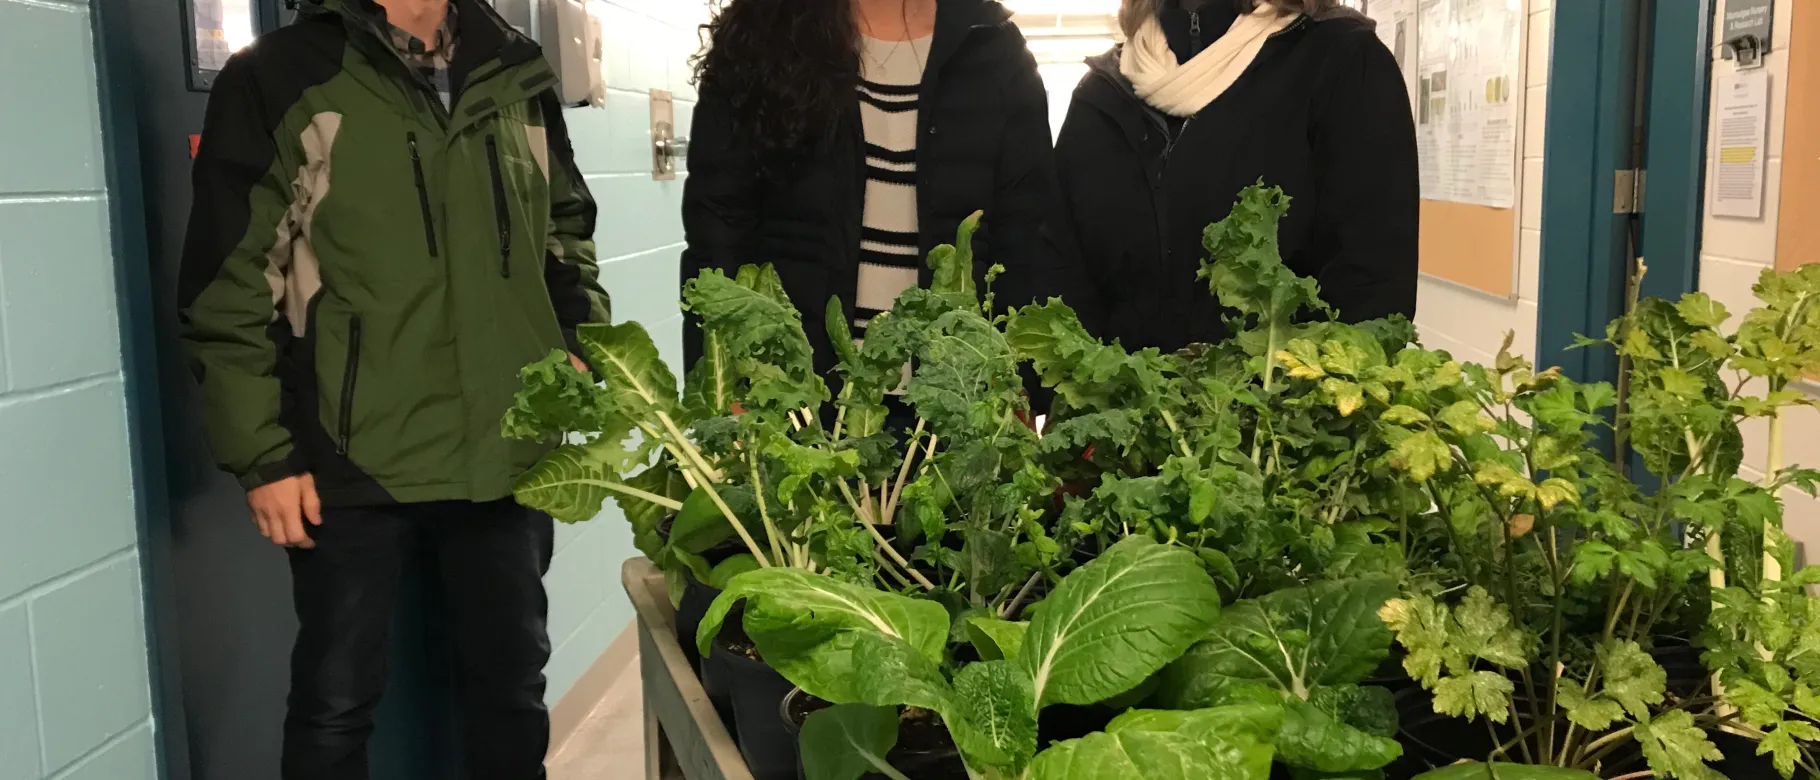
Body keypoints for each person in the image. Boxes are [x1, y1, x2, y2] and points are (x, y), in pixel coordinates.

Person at [177, 0, 609, 776]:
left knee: (512, 692)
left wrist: (575, 342)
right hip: (350, 453)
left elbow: (565, 228)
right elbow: (229, 280)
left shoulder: (514, 69)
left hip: (507, 448)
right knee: (336, 704)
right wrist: (263, 456)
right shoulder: (281, 74)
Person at [682, 0, 1082, 393]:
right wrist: (723, 385)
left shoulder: (997, 50)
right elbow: (717, 232)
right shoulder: (762, 31)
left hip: (953, 406)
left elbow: (1028, 236)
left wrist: (1020, 388)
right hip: (794, 397)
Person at [1055, 0, 1418, 353]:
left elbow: (1372, 299)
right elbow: (1065, 283)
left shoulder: (1342, 62)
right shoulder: (1099, 96)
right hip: (1124, 409)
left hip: (1281, 408)